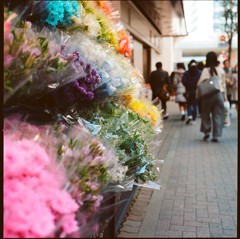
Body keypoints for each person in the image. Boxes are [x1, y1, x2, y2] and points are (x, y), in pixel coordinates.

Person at [197, 51, 227, 142]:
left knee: (205, 114)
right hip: (219, 94)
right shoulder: (221, 70)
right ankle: (216, 136)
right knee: (217, 115)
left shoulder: (205, 70)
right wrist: (225, 97)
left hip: (207, 95)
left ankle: (207, 132)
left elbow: (199, 84)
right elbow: (224, 85)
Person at [182, 60, 201, 125]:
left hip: (188, 91)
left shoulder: (187, 73)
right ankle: (194, 119)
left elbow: (183, 81)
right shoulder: (199, 72)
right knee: (195, 105)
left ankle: (189, 115)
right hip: (196, 91)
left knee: (189, 104)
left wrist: (187, 85)